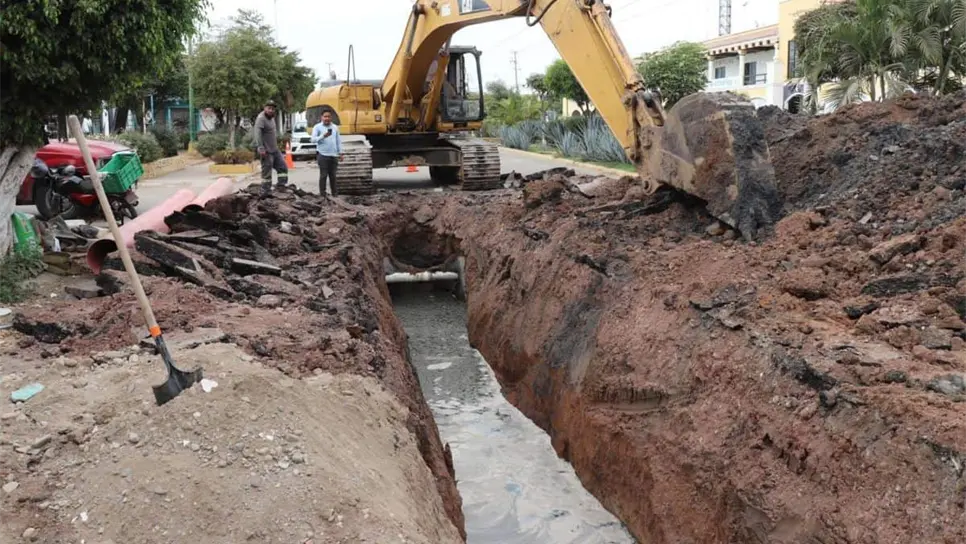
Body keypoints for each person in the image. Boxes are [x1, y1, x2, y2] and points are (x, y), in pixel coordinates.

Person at [253, 100, 288, 195]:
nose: (271, 110)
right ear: (265, 108)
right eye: (269, 108)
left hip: (275, 150)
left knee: (283, 167)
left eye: (273, 109)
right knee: (267, 173)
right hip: (266, 151)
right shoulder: (261, 118)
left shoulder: (271, 118)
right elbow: (257, 133)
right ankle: (265, 191)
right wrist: (260, 147)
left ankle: (281, 186)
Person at [311, 111, 343, 196]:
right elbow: (313, 140)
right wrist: (323, 136)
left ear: (331, 117)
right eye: (325, 116)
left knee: (333, 176)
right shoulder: (317, 127)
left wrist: (340, 153)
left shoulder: (335, 127)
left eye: (328, 116)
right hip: (322, 154)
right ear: (321, 117)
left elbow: (338, 141)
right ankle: (323, 194)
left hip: (333, 155)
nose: (327, 118)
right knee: (323, 175)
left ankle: (335, 194)